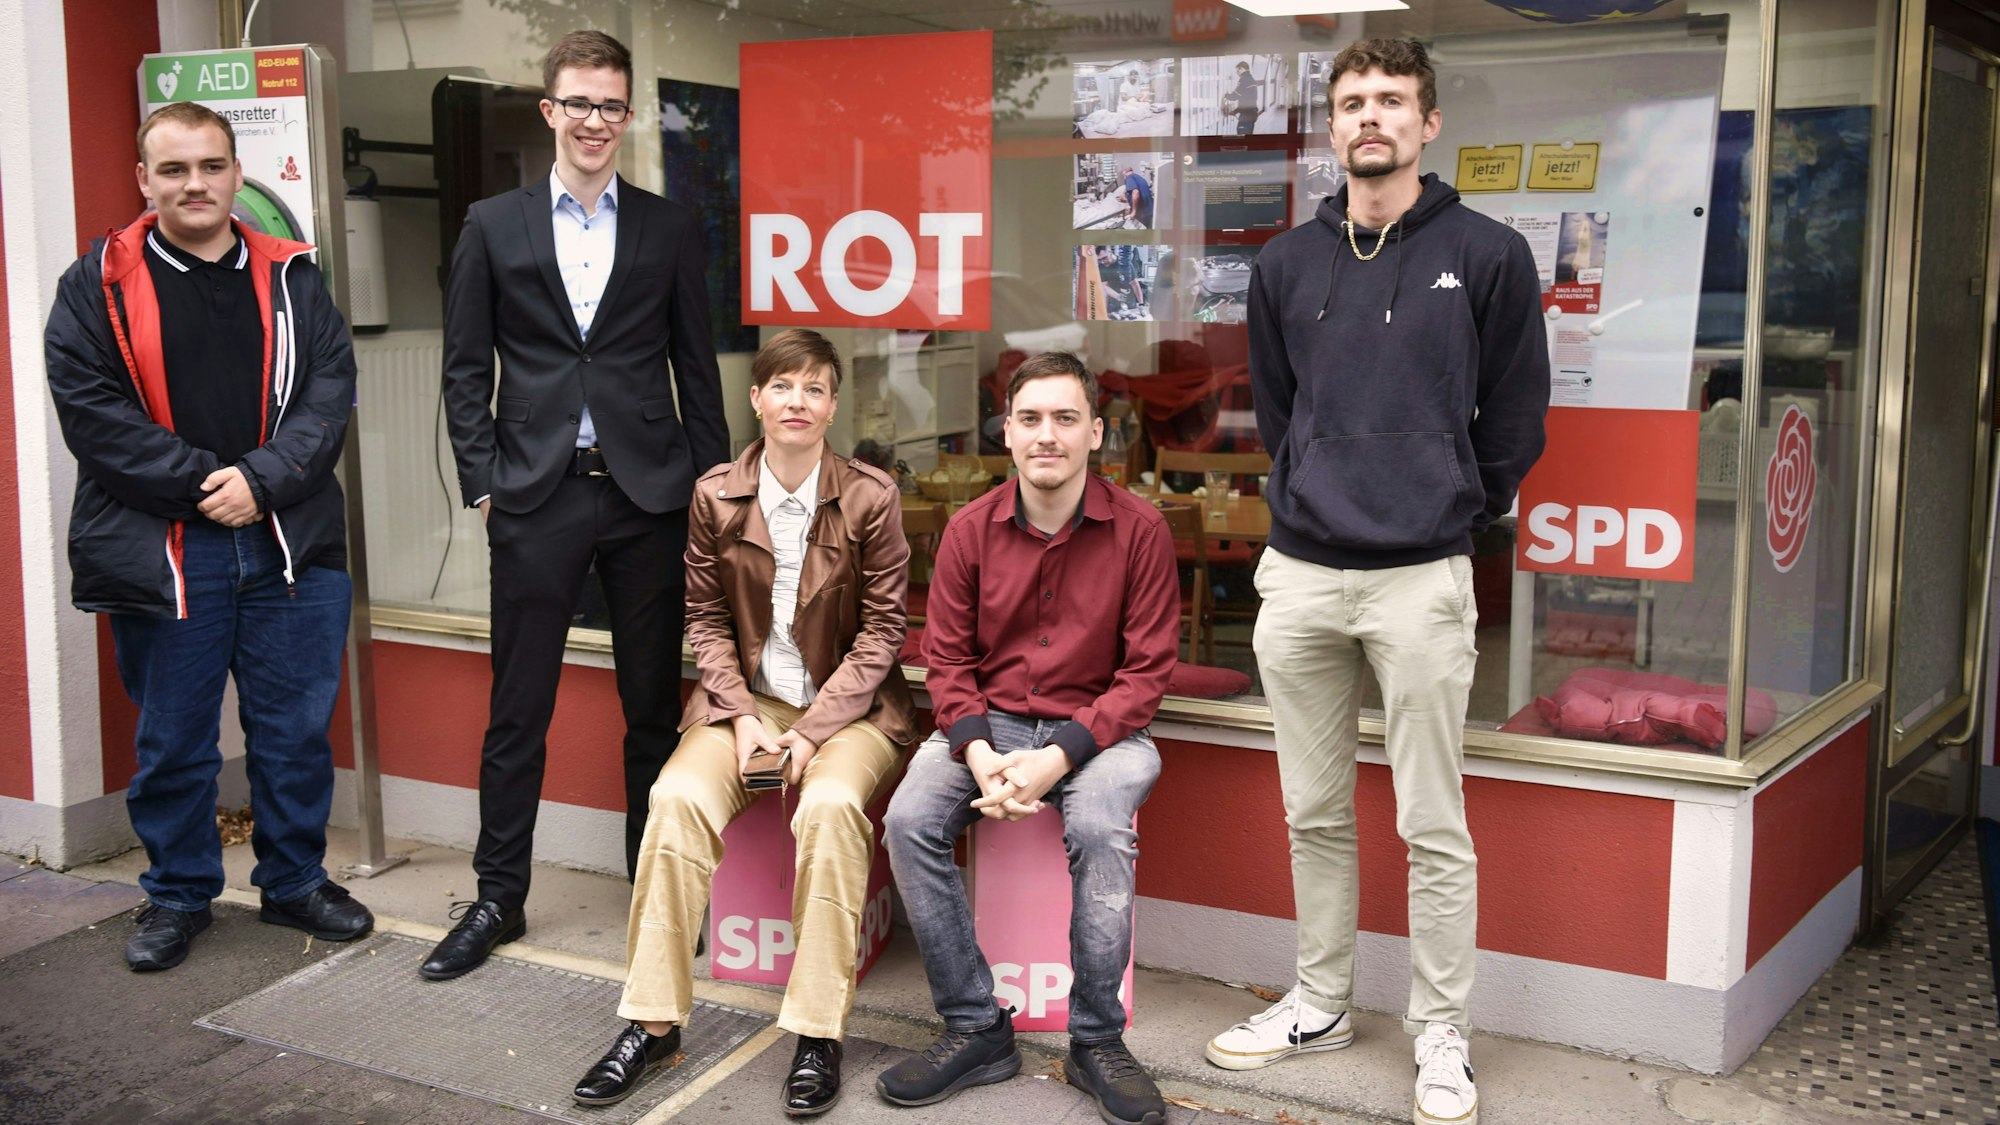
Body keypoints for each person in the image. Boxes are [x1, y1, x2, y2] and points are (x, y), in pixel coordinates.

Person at [1204, 38, 1548, 1125]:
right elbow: (1280, 411)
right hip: (1303, 574)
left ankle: (1440, 1030)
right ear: (1332, 124)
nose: (1370, 116)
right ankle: (1319, 1003)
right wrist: (1313, 488)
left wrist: (1450, 504)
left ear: (1427, 122)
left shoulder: (1488, 254)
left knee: (1431, 822)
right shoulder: (1283, 264)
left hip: (1419, 580)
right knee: (1312, 812)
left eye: (1391, 100)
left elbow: (1516, 415)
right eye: (1353, 100)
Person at [44, 101, 372, 971]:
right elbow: (92, 415)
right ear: (144, 180)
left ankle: (294, 881)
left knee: (294, 734)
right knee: (175, 742)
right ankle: (179, 895)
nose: (196, 183)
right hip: (168, 551)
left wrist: (261, 481)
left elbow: (329, 391)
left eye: (211, 165)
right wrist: (206, 485)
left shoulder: (293, 275)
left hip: (289, 543)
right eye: (175, 169)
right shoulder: (96, 285)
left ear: (236, 174)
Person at [429, 29, 729, 981]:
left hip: (651, 498)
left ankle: (657, 890)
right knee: (518, 710)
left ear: (627, 115)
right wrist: (485, 482)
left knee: (650, 709)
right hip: (534, 494)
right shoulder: (492, 223)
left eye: (611, 104)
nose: (595, 120)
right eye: (579, 103)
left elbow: (697, 370)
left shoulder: (668, 227)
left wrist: (713, 494)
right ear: (550, 110)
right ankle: (496, 897)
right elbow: (464, 366)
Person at [572, 330, 915, 1115]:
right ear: (756, 398)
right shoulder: (715, 493)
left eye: (815, 388)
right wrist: (738, 712)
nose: (798, 401)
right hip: (745, 706)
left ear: (832, 405)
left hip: (850, 711)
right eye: (782, 386)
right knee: (673, 800)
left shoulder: (872, 495)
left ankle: (817, 1031)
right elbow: (705, 617)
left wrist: (812, 729)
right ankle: (653, 1024)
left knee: (831, 806)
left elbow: (883, 632)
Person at [874, 352, 1180, 1125]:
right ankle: (976, 1024)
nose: (1048, 435)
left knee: (1101, 827)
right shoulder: (969, 530)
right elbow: (946, 661)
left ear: (1095, 433)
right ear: (1006, 431)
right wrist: (979, 754)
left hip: (1104, 730)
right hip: (992, 724)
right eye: (1032, 418)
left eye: (1066, 418)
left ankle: (1097, 1041)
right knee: (909, 820)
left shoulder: (1141, 530)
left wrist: (1056, 757)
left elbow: (1145, 674)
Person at [1229, 60, 1261, 135]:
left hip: (1247, 115)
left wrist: (1225, 96)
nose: (1237, 71)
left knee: (1242, 135)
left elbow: (1235, 96)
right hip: (1252, 113)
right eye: (1237, 69)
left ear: (1246, 69)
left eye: (1239, 69)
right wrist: (1235, 111)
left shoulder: (1244, 79)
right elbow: (1247, 99)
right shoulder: (1250, 78)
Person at [1121, 165, 1153, 230]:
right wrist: (1124, 195)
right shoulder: (1138, 177)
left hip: (1142, 213)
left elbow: (1136, 192)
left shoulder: (1129, 177)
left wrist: (1134, 212)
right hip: (1149, 211)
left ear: (1124, 173)